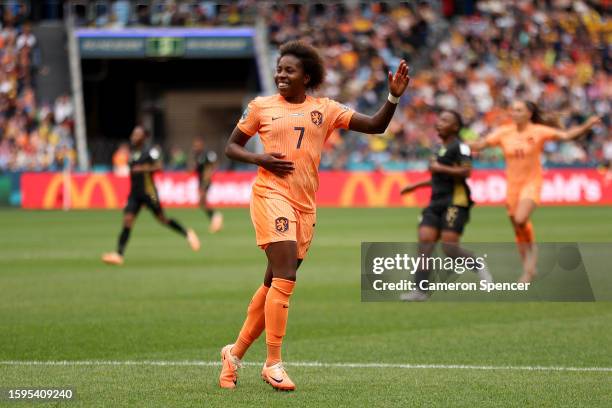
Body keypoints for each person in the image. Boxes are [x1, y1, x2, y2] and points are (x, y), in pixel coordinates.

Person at [218, 40, 410, 391]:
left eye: (289, 70)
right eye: (279, 68)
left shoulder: (326, 108)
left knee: (272, 284)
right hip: (270, 194)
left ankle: (233, 354)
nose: (281, 74)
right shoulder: (260, 107)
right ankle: (273, 363)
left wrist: (393, 98)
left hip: (304, 205)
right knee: (286, 276)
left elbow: (375, 126)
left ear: (307, 76)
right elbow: (231, 147)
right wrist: (261, 159)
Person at [469, 101, 600, 283]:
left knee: (521, 218)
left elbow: (566, 135)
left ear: (529, 113)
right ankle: (528, 269)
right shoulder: (504, 132)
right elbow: (481, 144)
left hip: (531, 182)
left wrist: (587, 125)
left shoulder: (538, 131)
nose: (514, 113)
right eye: (513, 110)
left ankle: (531, 259)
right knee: (518, 227)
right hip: (512, 186)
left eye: (519, 110)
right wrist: (458, 144)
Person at [399, 110, 493, 301]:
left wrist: (440, 168)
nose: (439, 123)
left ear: (455, 127)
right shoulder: (437, 148)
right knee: (425, 243)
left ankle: (477, 264)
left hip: (456, 202)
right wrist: (416, 186)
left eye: (445, 120)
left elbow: (466, 172)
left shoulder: (463, 147)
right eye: (439, 119)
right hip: (436, 202)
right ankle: (420, 290)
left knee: (450, 248)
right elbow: (437, 177)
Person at [102, 126, 200, 265]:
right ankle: (119, 255)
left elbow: (159, 166)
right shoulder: (132, 153)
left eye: (137, 134)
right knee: (128, 220)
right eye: (133, 134)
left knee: (163, 219)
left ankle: (188, 233)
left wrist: (143, 168)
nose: (133, 136)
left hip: (150, 194)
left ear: (143, 138)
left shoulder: (150, 151)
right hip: (135, 194)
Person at [192, 137, 223, 233]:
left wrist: (209, 175)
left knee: (202, 200)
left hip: (206, 181)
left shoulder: (207, 154)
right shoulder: (197, 155)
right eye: (195, 146)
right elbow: (196, 168)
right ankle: (215, 219)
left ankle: (215, 217)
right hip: (200, 181)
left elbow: (214, 165)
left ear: (202, 145)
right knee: (202, 203)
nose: (195, 147)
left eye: (197, 145)